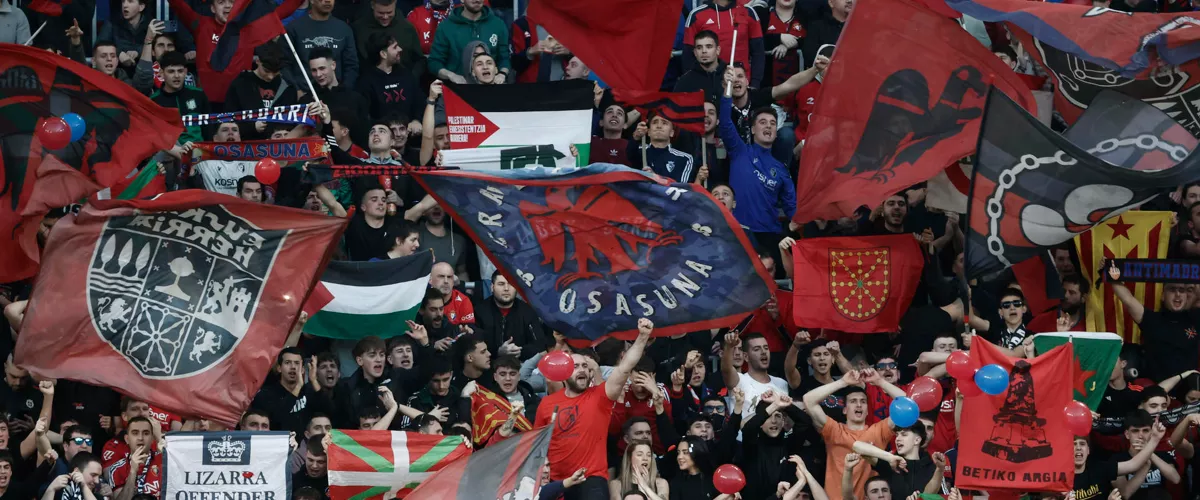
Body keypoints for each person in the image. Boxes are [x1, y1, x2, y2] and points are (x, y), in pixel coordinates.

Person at [534, 318, 654, 499]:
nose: (582, 369)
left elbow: (624, 368)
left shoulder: (600, 396)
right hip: (558, 481)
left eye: (585, 366)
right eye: (575, 366)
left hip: (592, 479)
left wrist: (643, 337)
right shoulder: (547, 404)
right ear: (564, 373)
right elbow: (537, 445)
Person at [167, 0, 304, 107]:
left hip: (241, 101)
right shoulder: (201, 25)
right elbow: (177, 4)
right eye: (221, 2)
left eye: (232, 2)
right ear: (212, 8)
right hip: (207, 102)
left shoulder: (250, 27)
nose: (227, 6)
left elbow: (287, 8)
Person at [803, 370, 898, 500]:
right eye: (853, 401)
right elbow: (808, 400)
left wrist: (879, 381)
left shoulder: (879, 430)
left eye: (863, 401)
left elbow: (909, 404)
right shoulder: (834, 430)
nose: (859, 405)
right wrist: (843, 382)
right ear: (845, 409)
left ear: (867, 411)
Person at [1112, 275, 1200, 381]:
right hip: (1160, 391)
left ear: (1187, 297)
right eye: (1172, 289)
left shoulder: (1195, 318)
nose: (1177, 294)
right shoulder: (1151, 319)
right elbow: (1128, 299)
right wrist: (1110, 273)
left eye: (1182, 290)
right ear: (1163, 295)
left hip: (1191, 390)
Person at [428, 0, 511, 84]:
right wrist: (451, 76)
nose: (477, 0)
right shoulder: (445, 27)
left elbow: (504, 58)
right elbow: (435, 62)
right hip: (457, 89)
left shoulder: (498, 24)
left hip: (491, 88)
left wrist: (502, 74)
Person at [474, 271, 549, 361]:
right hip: (488, 365)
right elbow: (475, 346)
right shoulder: (479, 311)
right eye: (501, 284)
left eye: (511, 284)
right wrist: (498, 351)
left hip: (520, 366)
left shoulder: (528, 311)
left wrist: (520, 351)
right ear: (492, 287)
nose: (506, 288)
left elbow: (540, 345)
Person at [852, 425, 943, 497]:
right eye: (897, 435)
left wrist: (940, 469)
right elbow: (856, 446)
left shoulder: (931, 466)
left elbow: (930, 494)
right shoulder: (890, 463)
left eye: (904, 434)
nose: (897, 439)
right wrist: (889, 457)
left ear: (917, 440)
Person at [287, 0, 360, 89]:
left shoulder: (344, 29)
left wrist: (344, 90)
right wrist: (297, 90)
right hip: (305, 93)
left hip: (335, 93)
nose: (328, 1)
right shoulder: (294, 28)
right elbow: (285, 63)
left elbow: (351, 65)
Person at [720, 331, 787, 421]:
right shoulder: (739, 381)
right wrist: (729, 346)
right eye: (756, 349)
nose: (763, 352)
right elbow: (726, 369)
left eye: (766, 348)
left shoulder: (782, 383)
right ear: (746, 357)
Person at [358, 32, 424, 123]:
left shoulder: (406, 74)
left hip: (410, 130)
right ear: (383, 54)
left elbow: (419, 101)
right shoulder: (366, 81)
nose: (400, 49)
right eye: (395, 47)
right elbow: (365, 116)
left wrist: (417, 120)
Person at [968, 288, 1029, 357]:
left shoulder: (1030, 335)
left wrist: (978, 343)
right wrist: (968, 298)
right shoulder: (996, 327)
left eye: (1017, 303)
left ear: (1024, 309)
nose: (1012, 308)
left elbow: (1015, 355)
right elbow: (971, 320)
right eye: (1006, 305)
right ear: (1000, 312)